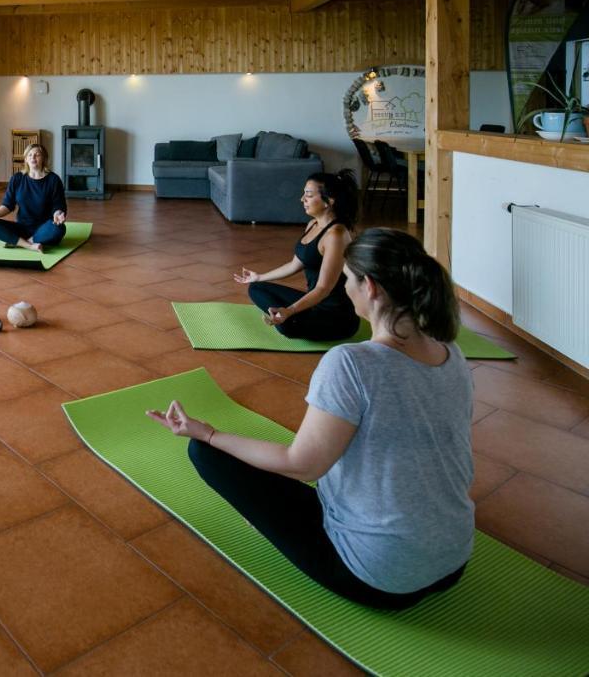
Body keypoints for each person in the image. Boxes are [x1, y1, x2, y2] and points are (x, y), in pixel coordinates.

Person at [150, 228, 474, 609]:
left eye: (348, 280)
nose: (345, 287)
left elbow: (301, 465)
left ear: (369, 287)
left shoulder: (351, 363)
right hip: (454, 560)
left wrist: (207, 433)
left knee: (206, 455)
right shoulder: (452, 355)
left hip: (383, 578)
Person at [234, 170, 361, 341]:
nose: (302, 199)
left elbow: (323, 289)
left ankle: (287, 317)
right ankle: (286, 315)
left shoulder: (336, 235)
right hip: (314, 303)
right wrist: (259, 276)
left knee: (287, 326)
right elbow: (295, 264)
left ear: (328, 201)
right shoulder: (312, 224)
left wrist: (290, 310)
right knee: (257, 287)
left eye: (308, 195)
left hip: (335, 316)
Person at [0, 142, 68, 252]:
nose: (33, 157)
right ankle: (29, 245)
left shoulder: (53, 180)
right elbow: (8, 205)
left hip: (44, 228)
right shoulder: (17, 178)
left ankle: (20, 242)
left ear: (44, 158)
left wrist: (58, 214)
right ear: (26, 159)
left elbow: (59, 205)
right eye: (30, 155)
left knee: (59, 229)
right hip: (22, 228)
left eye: (37, 154)